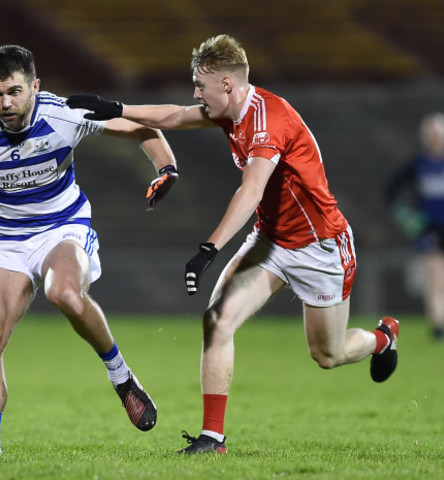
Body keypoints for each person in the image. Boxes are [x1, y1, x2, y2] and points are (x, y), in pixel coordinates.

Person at [67, 34, 400, 455]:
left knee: (328, 354)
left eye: (201, 85)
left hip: (321, 246)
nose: (195, 93)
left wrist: (210, 248)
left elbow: (251, 191)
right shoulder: (227, 110)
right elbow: (173, 116)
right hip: (270, 242)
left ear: (227, 84)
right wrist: (115, 108)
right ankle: (213, 438)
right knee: (218, 321)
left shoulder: (267, 119)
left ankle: (383, 338)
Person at [0, 45, 180, 454]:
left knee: (65, 294)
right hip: (6, 238)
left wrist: (166, 167)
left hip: (62, 227)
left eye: (15, 91)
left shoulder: (64, 116)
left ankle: (121, 376)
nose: (5, 102)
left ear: (35, 86)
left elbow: (139, 126)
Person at [385, 112, 444, 341]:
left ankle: (442, 323)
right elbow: (391, 190)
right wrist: (406, 217)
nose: (436, 138)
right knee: (437, 279)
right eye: (432, 134)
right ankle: (439, 330)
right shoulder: (418, 164)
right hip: (430, 230)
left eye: (440, 134)